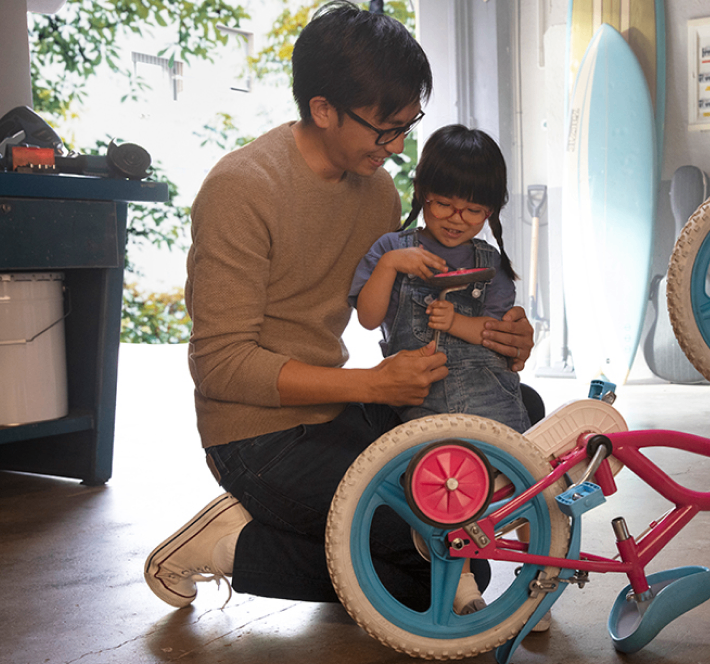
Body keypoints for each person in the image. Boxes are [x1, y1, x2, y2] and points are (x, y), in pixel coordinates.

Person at [144, 1, 535, 613]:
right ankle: (232, 544)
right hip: (257, 436)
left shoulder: (375, 188)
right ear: (323, 110)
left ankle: (308, 523)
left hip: (340, 408)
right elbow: (219, 365)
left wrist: (500, 335)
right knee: (438, 562)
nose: (400, 146)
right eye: (386, 129)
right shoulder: (242, 189)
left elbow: (410, 308)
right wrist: (373, 385)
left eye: (409, 125)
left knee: (508, 424)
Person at [349, 124, 530, 434]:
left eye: (473, 210)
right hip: (419, 406)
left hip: (493, 401)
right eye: (444, 204)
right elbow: (368, 318)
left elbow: (496, 336)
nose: (456, 218)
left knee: (517, 471)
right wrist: (390, 265)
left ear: (490, 212)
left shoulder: (490, 264)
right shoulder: (391, 249)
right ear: (422, 193)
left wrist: (455, 322)